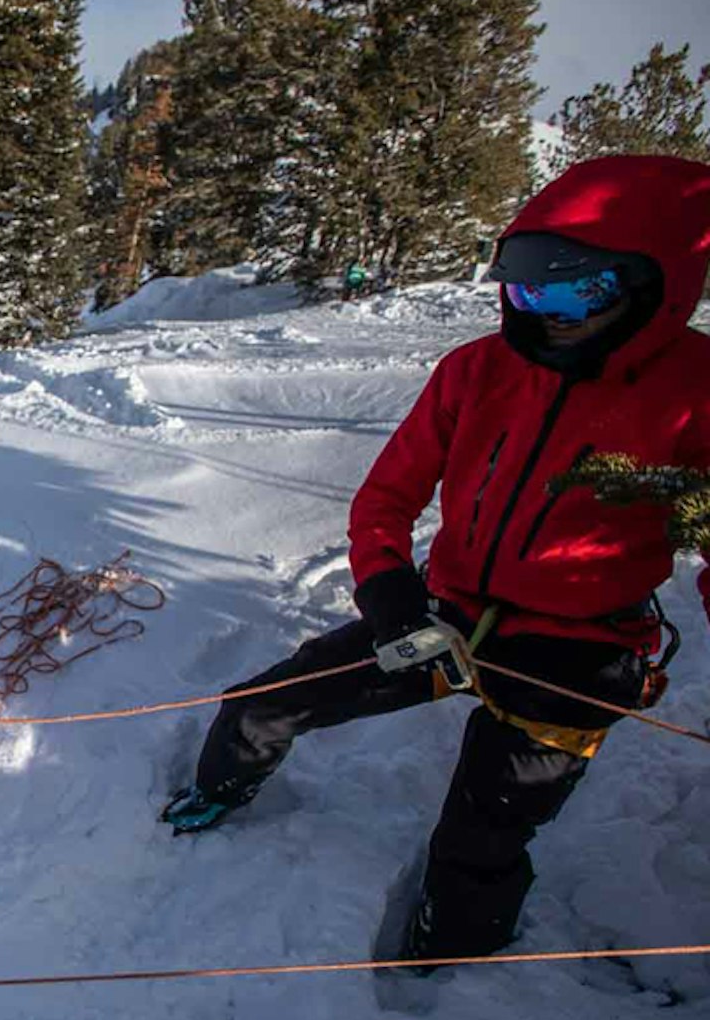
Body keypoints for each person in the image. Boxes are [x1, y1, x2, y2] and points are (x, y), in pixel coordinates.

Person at [160, 154, 710, 968]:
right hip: (444, 618)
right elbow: (387, 497)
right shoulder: (477, 371)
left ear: (651, 286)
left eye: (574, 290)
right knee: (262, 703)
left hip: (581, 647)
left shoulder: (695, 392)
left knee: (484, 830)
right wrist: (384, 582)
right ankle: (216, 792)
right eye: (527, 287)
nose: (545, 312)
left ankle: (449, 952)